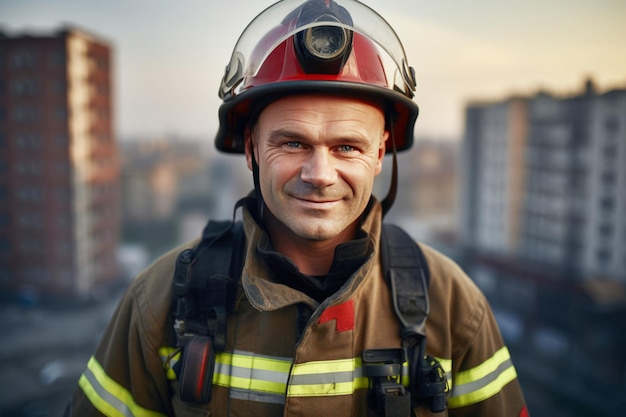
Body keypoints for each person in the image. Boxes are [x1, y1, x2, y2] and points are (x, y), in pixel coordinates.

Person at [66, 0, 529, 416]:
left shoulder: (452, 307)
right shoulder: (160, 302)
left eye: (347, 146)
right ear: (250, 149)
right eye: (292, 142)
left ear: (381, 152)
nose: (319, 173)